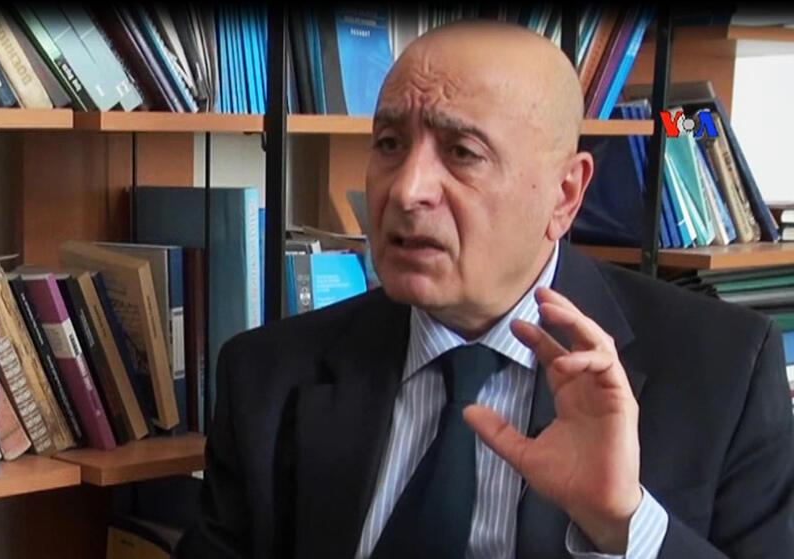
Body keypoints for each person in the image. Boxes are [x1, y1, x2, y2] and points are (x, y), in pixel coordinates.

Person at [176, 21, 794, 559]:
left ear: (564, 196)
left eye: (462, 152)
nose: (407, 190)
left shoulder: (724, 371)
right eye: (389, 144)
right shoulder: (267, 373)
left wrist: (624, 523)